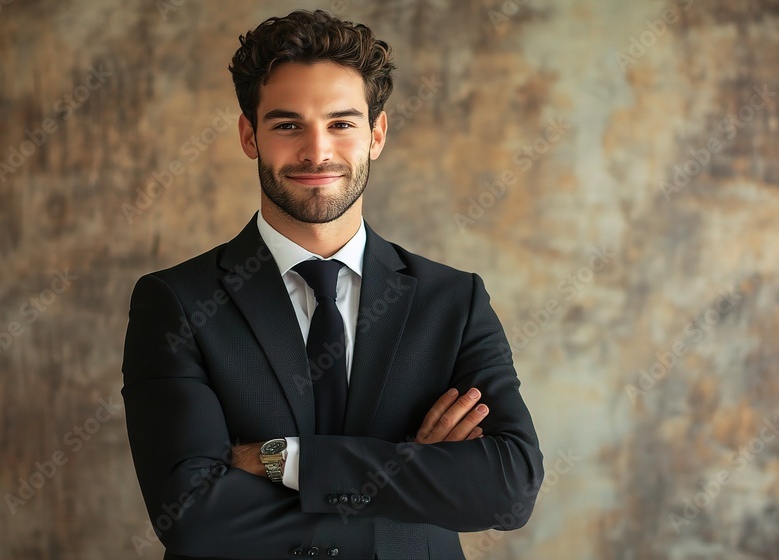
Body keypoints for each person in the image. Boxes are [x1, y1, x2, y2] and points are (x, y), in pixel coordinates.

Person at [121, 9, 543, 559]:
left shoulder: (453, 301)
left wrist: (288, 460)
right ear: (250, 134)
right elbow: (195, 519)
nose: (317, 152)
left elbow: (509, 491)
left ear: (377, 134)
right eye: (288, 124)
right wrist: (415, 472)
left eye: (341, 123)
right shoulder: (176, 303)